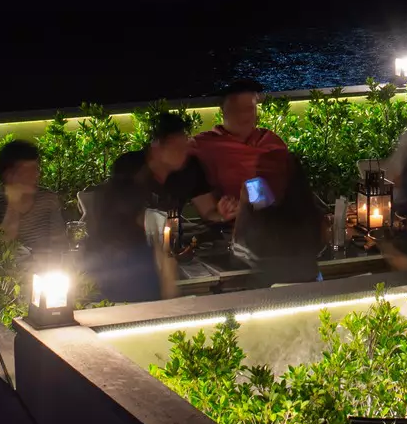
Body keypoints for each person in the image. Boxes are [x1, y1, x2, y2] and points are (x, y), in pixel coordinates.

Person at [80, 114, 223, 301]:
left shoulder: (189, 169)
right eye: (176, 147)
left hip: (164, 250)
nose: (183, 153)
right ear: (156, 147)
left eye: (184, 146)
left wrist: (222, 214)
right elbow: (131, 223)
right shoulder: (131, 168)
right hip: (121, 253)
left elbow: (209, 212)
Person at [190, 79, 289, 218]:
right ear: (223, 111)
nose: (244, 115)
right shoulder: (202, 145)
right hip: (225, 229)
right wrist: (221, 213)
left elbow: (289, 189)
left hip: (273, 224)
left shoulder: (272, 142)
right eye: (237, 109)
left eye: (249, 108)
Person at [235, 149, 326, 285]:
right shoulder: (313, 215)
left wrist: (243, 206)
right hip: (312, 294)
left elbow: (237, 254)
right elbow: (321, 248)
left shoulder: (258, 224)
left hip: (265, 297)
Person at [0, 139, 68, 258]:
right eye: (27, 170)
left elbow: (60, 242)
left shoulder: (47, 198)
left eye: (36, 168)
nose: (35, 175)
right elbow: (0, 246)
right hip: (12, 273)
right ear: (9, 174)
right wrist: (13, 204)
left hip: (49, 269)